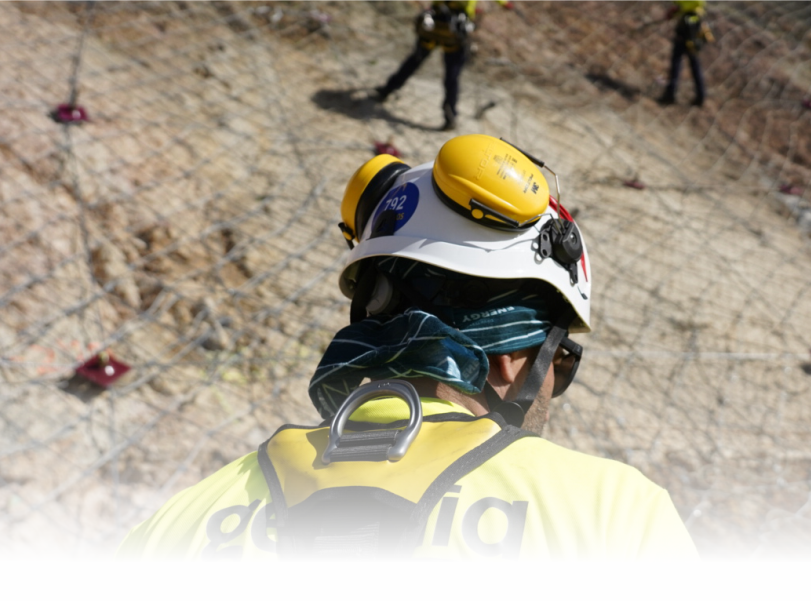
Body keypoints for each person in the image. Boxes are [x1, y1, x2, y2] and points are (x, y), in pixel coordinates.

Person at [118, 134, 698, 559]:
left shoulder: (177, 521)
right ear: (514, 351)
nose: (554, 386)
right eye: (561, 363)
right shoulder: (613, 517)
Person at [372, 0, 514, 131]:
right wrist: (505, 4)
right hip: (454, 31)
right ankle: (450, 116)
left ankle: (386, 91)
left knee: (414, 62)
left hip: (435, 26)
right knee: (451, 75)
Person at [657, 0, 713, 108]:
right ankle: (699, 95)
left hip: (690, 24)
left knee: (679, 61)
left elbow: (697, 3)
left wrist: (679, 8)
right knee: (690, 62)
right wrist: (676, 10)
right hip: (690, 23)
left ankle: (672, 93)